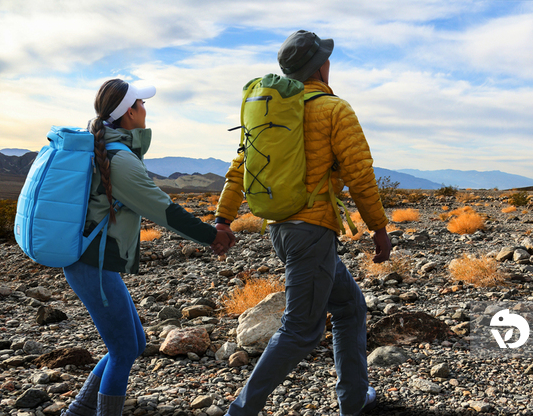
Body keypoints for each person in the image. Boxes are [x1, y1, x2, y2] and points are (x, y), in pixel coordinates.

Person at [215, 30, 391, 416]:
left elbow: (239, 169)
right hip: (311, 231)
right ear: (320, 67)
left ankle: (355, 399)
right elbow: (360, 174)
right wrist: (379, 228)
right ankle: (239, 412)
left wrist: (223, 219)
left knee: (350, 307)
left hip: (281, 228)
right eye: (326, 59)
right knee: (301, 330)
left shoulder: (270, 113)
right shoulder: (334, 109)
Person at [62, 79, 235, 416]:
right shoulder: (121, 160)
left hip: (94, 262)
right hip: (91, 264)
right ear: (129, 112)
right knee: (124, 349)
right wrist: (211, 236)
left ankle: (77, 412)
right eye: (141, 103)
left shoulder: (114, 150)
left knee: (135, 343)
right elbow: (162, 209)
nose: (145, 108)